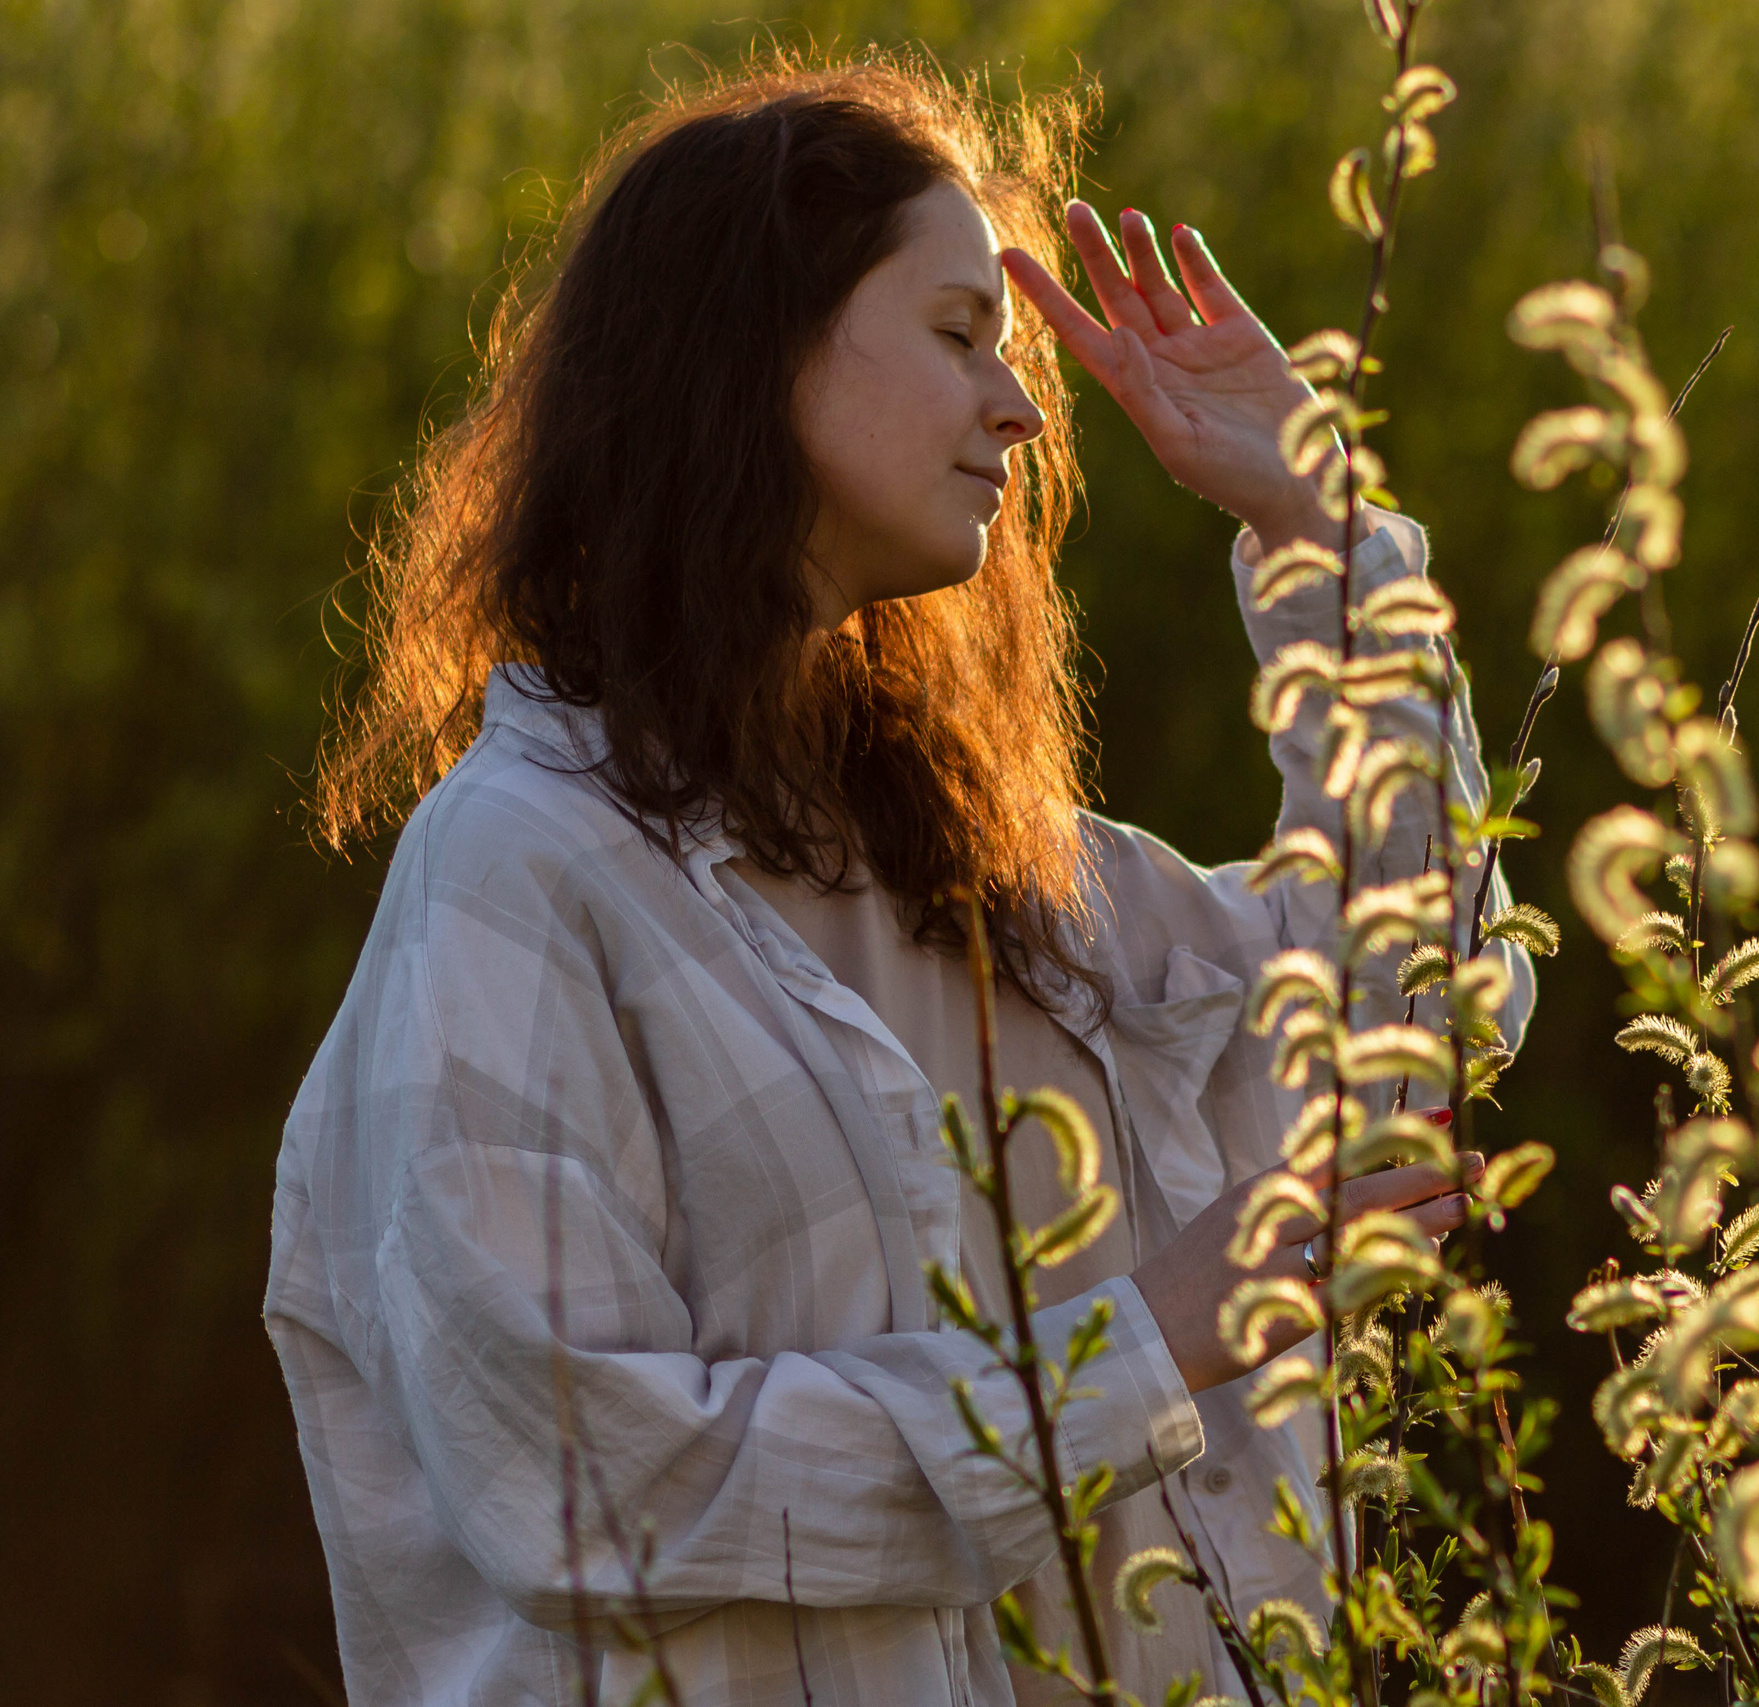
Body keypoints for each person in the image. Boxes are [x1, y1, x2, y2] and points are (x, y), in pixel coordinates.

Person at [265, 51, 1532, 1707]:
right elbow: (589, 1486)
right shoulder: (518, 876)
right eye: (956, 337)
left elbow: (1409, 1026)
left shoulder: (956, 860)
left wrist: (1324, 535)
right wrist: (1134, 1347)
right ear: (749, 352)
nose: (1017, 405)